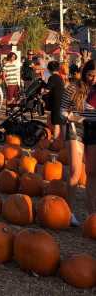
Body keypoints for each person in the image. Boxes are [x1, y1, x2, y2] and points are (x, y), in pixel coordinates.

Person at [61, 59, 96, 223]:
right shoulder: (74, 87)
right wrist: (73, 117)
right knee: (75, 171)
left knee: (92, 173)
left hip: (94, 129)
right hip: (76, 128)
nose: (93, 79)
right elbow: (61, 110)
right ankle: (68, 212)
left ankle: (91, 215)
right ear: (84, 73)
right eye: (90, 75)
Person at [45, 61, 64, 140]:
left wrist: (42, 92)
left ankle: (56, 140)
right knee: (56, 121)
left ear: (49, 69)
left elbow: (47, 90)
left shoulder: (52, 77)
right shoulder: (59, 77)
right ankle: (57, 139)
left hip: (56, 102)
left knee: (56, 123)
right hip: (60, 101)